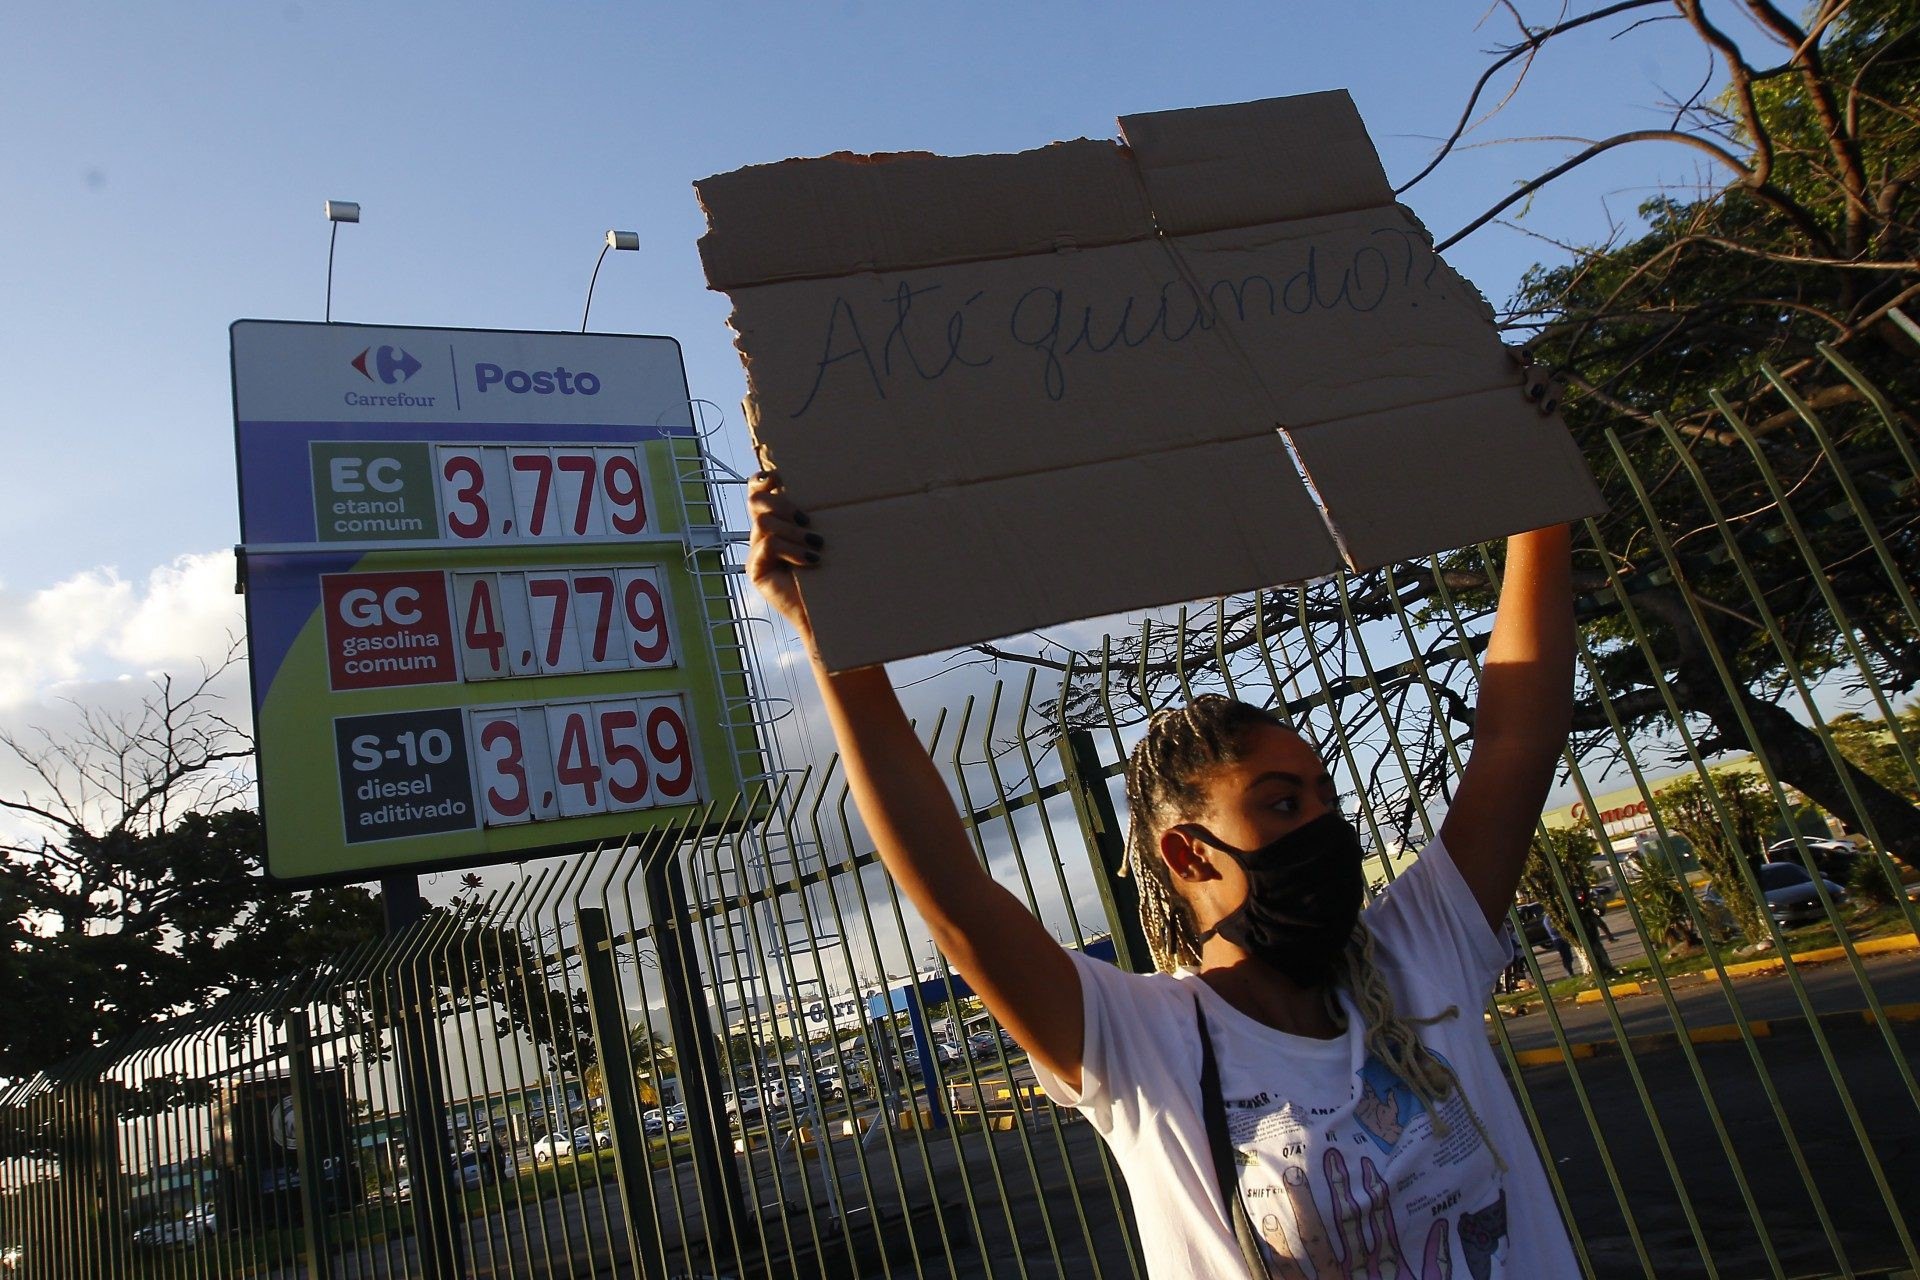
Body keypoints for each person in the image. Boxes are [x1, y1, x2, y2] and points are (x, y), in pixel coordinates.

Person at [745, 379, 1577, 1279]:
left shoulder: (1421, 956)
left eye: (1323, 799)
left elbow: (1514, 738)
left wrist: (1539, 498)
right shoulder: (1142, 1045)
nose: (1325, 829)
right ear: (1186, 851)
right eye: (1282, 803)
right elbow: (956, 896)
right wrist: (832, 635)